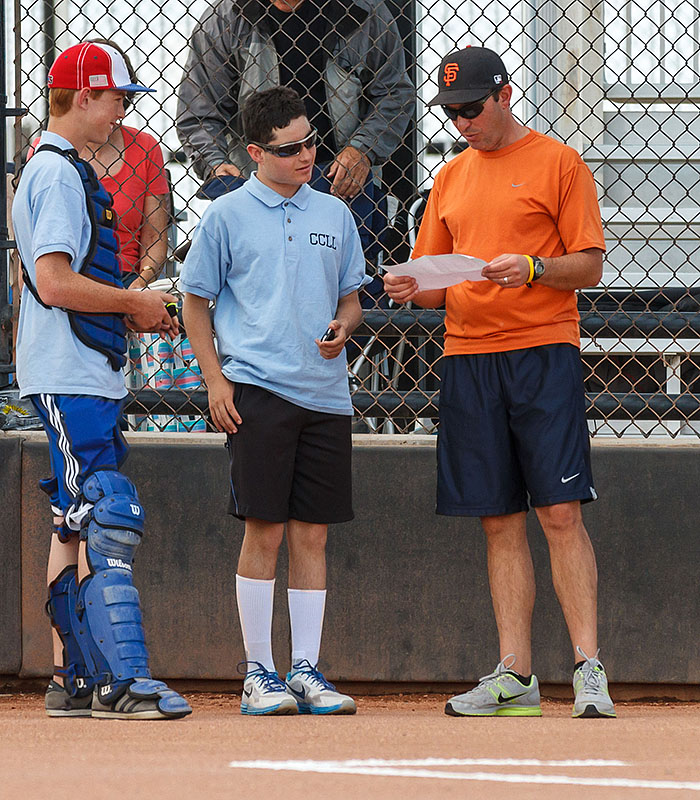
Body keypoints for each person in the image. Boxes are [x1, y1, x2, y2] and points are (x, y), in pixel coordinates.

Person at [384, 47, 616, 719]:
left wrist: (537, 270)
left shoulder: (559, 162)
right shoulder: (451, 176)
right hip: (468, 355)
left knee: (561, 512)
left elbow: (590, 266)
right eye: (451, 112)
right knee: (497, 518)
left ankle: (587, 667)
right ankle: (515, 675)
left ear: (505, 95)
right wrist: (409, 284)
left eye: (472, 107)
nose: (462, 121)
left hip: (541, 351)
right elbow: (433, 282)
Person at [12, 41, 192, 720]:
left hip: (81, 367)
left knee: (73, 520)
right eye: (116, 99)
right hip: (69, 371)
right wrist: (134, 303)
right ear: (82, 96)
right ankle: (124, 679)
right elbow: (55, 284)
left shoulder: (55, 166)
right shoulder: (56, 173)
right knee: (109, 510)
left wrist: (129, 310)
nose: (122, 114)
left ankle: (77, 678)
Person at [180, 86, 369, 716]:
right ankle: (257, 672)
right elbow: (196, 301)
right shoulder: (226, 216)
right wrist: (215, 380)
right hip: (258, 388)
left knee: (312, 533)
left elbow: (351, 296)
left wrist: (344, 325)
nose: (307, 156)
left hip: (325, 395)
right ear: (256, 152)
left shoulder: (334, 215)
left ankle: (306, 670)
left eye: (311, 142)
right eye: (290, 149)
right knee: (264, 529)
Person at [175, 0, 414, 246]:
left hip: (340, 184)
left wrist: (363, 149)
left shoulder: (362, 9)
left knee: (345, 276)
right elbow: (198, 110)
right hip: (257, 183)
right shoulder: (226, 17)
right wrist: (216, 165)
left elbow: (394, 93)